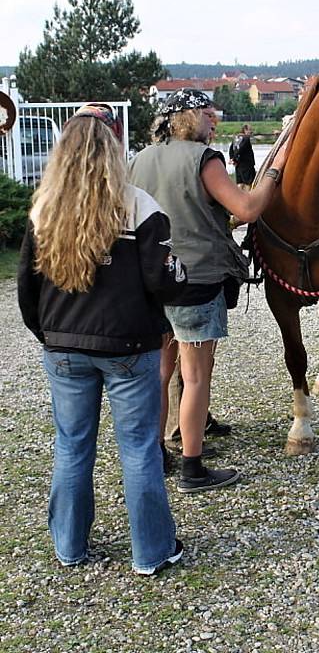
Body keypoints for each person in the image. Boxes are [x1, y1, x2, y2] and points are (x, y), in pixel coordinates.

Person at [17, 103, 187, 576]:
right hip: (130, 346)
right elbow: (165, 282)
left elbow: (27, 291)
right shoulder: (139, 206)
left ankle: (70, 546)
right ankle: (151, 551)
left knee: (71, 445)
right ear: (114, 147)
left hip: (64, 347)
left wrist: (50, 336)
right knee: (138, 448)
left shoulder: (43, 209)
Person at [129, 89, 288, 493]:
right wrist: (273, 172)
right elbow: (247, 208)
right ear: (184, 117)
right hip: (196, 279)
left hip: (150, 278)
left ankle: (159, 452)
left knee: (162, 372)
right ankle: (193, 467)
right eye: (205, 112)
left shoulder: (139, 160)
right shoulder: (205, 159)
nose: (212, 118)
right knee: (196, 376)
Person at [229, 123, 256, 190]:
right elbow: (241, 148)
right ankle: (247, 198)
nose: (251, 132)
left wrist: (232, 158)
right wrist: (234, 159)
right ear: (245, 130)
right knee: (248, 184)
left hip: (238, 164)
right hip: (247, 164)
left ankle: (238, 198)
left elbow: (231, 149)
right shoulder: (246, 138)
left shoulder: (236, 137)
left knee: (240, 183)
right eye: (250, 130)